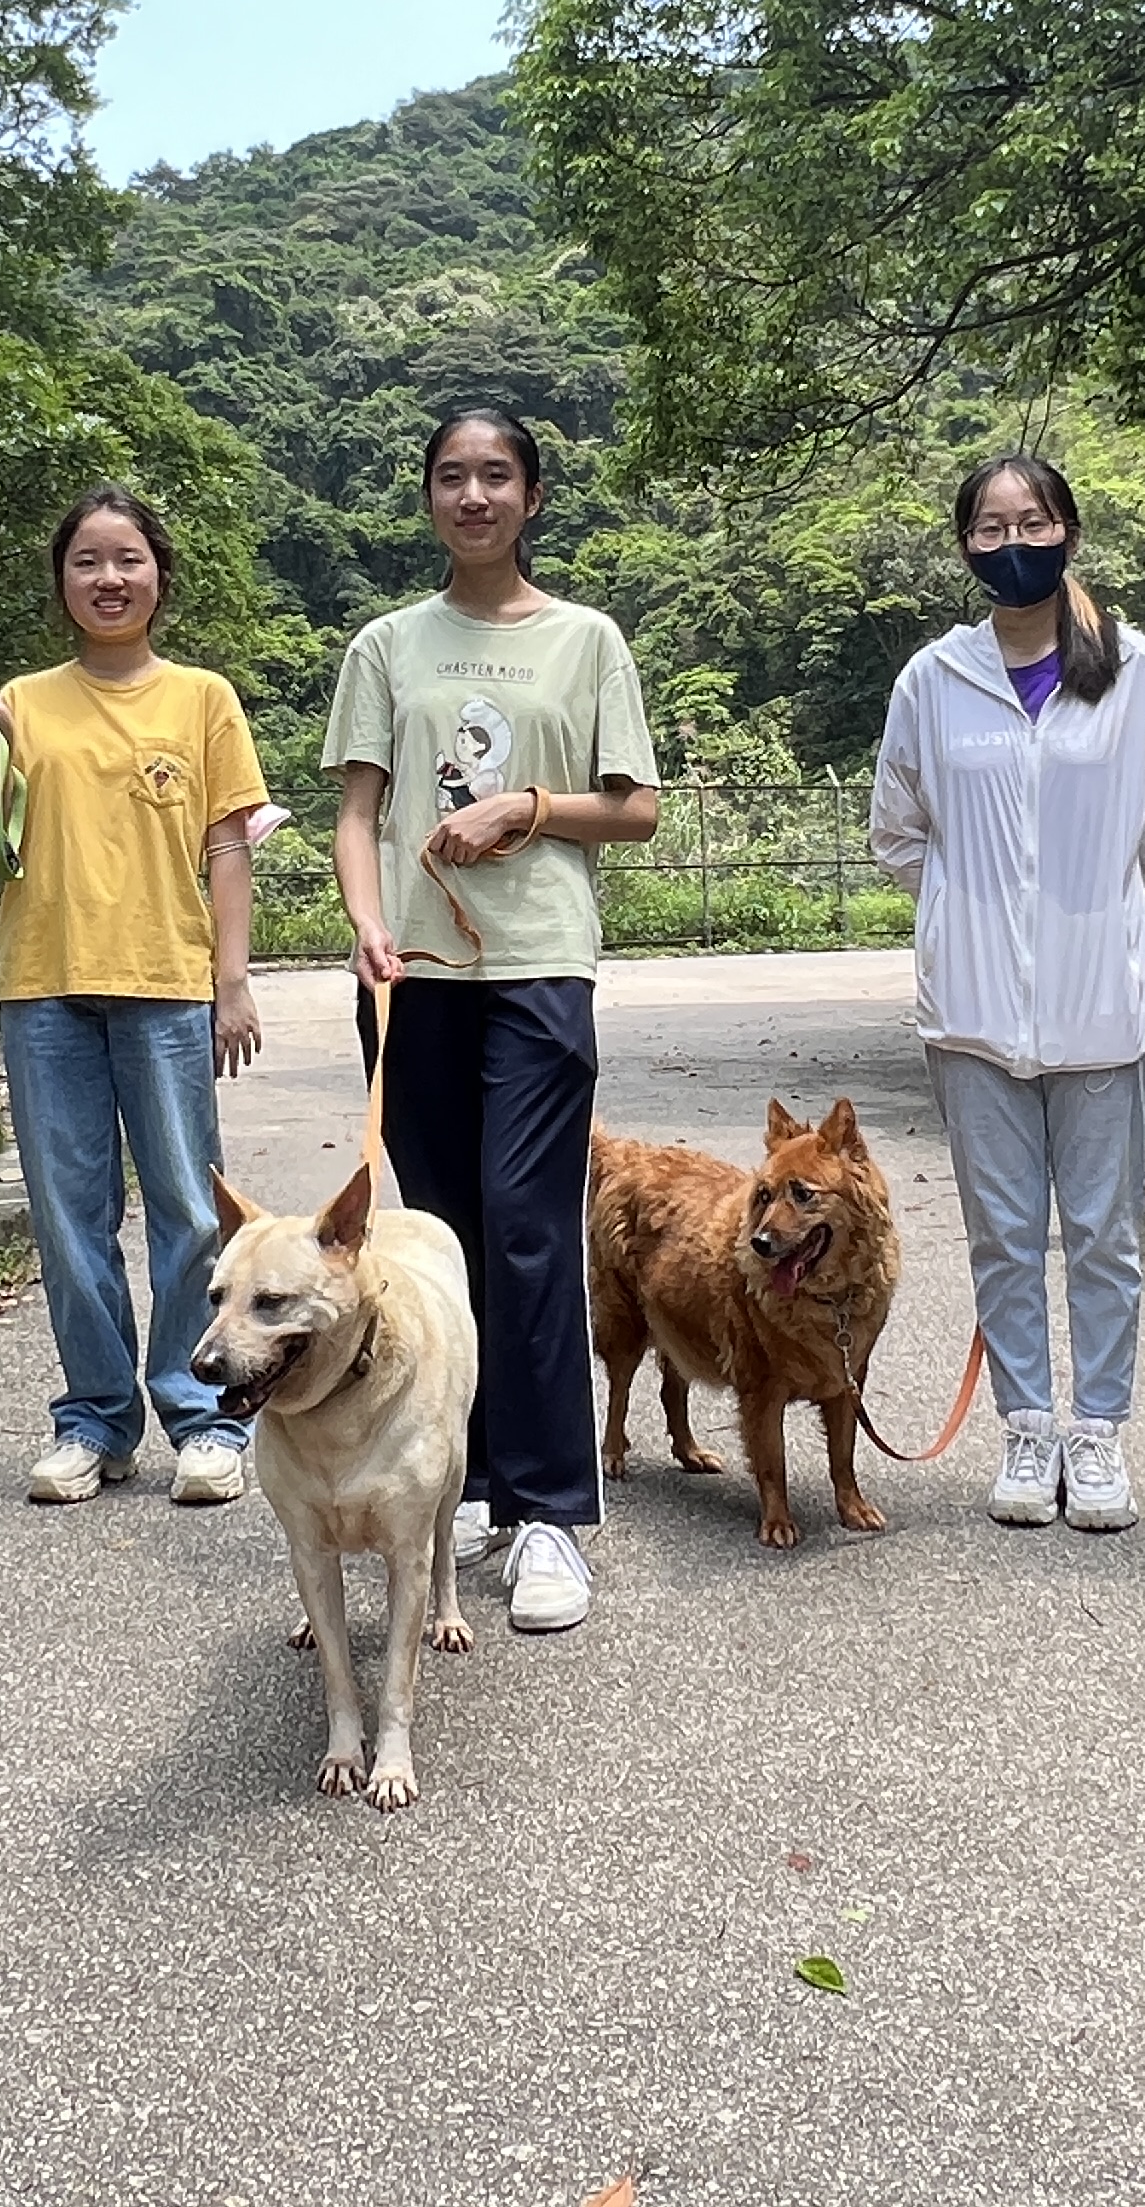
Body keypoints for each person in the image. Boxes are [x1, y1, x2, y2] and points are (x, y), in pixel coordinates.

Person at [324, 407, 661, 1635]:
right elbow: (357, 813)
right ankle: (462, 1484)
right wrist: (367, 926)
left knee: (527, 1236)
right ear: (427, 498)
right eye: (453, 478)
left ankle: (553, 1513)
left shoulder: (586, 641)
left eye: (497, 476)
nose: (474, 496)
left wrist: (523, 805)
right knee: (437, 1242)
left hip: (535, 970)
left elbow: (637, 812)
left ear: (531, 496)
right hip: (409, 977)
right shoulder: (386, 646)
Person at [0, 487, 270, 1506]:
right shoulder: (23, 704)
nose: (109, 578)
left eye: (127, 558)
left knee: (185, 1213)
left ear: (158, 573)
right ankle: (93, 1421)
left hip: (167, 987)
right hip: (44, 989)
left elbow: (226, 845)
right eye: (86, 561)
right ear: (62, 582)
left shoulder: (203, 698)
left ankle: (202, 1417)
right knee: (68, 1218)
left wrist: (233, 979)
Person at [869, 454, 1145, 1531]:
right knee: (1004, 1233)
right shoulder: (934, 679)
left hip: (1103, 1004)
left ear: (1070, 534)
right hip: (972, 1014)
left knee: (1103, 1232)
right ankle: (1026, 1425)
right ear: (965, 547)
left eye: (1033, 522)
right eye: (991, 528)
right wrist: (973, 912)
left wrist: (1080, 924)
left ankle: (1097, 1434)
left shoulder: (1133, 669)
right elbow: (899, 831)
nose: (1014, 544)